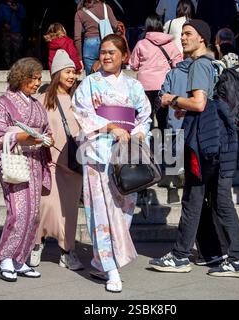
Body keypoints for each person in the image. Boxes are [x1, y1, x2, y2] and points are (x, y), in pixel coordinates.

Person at [149, 19, 239, 278]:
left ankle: (181, 255)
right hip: (220, 142)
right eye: (182, 34)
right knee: (218, 201)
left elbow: (198, 103)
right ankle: (236, 259)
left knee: (194, 199)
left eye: (188, 34)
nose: (182, 38)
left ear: (202, 39)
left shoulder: (199, 65)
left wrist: (171, 99)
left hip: (204, 144)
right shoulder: (213, 65)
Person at [72, 34, 151, 292]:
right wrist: (109, 125)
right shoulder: (90, 83)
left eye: (112, 52)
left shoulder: (134, 86)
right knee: (100, 212)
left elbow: (145, 114)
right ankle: (111, 269)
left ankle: (103, 259)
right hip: (98, 152)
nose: (106, 56)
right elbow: (80, 112)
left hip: (126, 154)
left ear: (124, 56)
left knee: (124, 208)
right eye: (103, 52)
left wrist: (139, 131)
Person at [0, 57, 54, 282]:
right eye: (33, 78)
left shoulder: (36, 105)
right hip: (15, 159)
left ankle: (19, 259)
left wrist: (47, 139)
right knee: (19, 211)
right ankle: (5, 257)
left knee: (33, 214)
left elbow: (46, 129)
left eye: (39, 79)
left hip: (34, 162)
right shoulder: (4, 102)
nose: (36, 83)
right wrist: (20, 136)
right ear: (20, 78)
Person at [29, 50, 84, 271]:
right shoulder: (43, 99)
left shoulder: (80, 97)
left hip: (74, 163)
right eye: (67, 71)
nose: (71, 76)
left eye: (73, 72)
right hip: (49, 162)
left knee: (68, 211)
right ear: (56, 74)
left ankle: (67, 251)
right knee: (46, 207)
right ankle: (36, 244)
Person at [130, 14, 182, 133]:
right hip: (163, 86)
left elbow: (133, 65)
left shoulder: (141, 44)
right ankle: (164, 146)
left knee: (145, 115)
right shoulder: (170, 43)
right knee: (163, 117)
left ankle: (145, 144)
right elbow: (178, 64)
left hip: (144, 86)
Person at [74, 0, 118, 75]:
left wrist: (80, 59)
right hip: (106, 42)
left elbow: (77, 38)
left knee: (91, 76)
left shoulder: (80, 12)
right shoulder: (106, 7)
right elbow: (115, 26)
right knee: (108, 74)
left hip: (89, 44)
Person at [0, 0, 26, 68]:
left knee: (17, 52)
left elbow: (24, 17)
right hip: (5, 33)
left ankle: (16, 68)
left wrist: (17, 10)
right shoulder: (1, 6)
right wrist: (4, 24)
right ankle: (7, 67)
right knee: (6, 52)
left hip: (16, 33)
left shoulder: (19, 5)